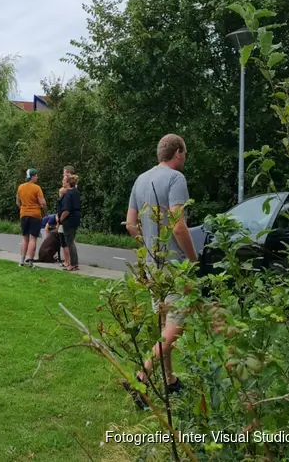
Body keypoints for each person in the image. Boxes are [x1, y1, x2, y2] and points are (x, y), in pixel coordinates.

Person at [123, 134, 198, 409]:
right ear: (178, 152)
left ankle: (169, 379)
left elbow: (131, 224)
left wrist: (147, 248)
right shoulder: (176, 180)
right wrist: (193, 259)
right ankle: (141, 379)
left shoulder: (141, 179)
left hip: (153, 264)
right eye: (185, 153)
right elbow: (178, 226)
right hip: (174, 265)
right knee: (175, 328)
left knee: (165, 323)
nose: (185, 158)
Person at [16, 168, 47, 267]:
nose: (37, 177)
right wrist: (45, 213)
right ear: (32, 176)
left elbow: (17, 201)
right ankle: (30, 262)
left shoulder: (20, 187)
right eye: (36, 175)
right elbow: (43, 203)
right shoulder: (37, 188)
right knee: (33, 238)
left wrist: (23, 208)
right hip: (35, 215)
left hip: (24, 214)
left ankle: (21, 260)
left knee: (25, 238)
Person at [58, 174, 81, 271]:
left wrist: (60, 219)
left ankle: (73, 264)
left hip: (69, 220)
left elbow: (66, 210)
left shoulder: (68, 194)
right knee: (72, 241)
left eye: (64, 181)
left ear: (68, 183)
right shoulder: (76, 192)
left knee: (69, 242)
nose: (62, 182)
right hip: (76, 218)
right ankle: (75, 263)